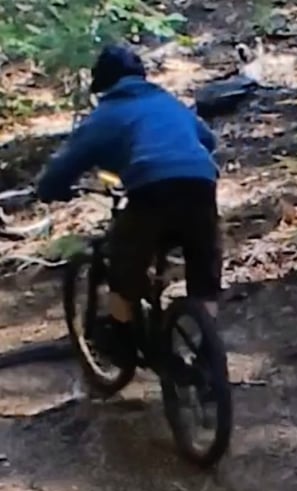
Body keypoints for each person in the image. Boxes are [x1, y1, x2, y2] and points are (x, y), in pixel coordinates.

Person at [37, 43, 222, 368]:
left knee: (124, 261)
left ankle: (121, 337)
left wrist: (51, 188)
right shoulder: (170, 103)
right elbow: (208, 140)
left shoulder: (106, 115)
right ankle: (209, 352)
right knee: (204, 273)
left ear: (104, 84)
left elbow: (67, 163)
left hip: (151, 191)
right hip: (200, 185)